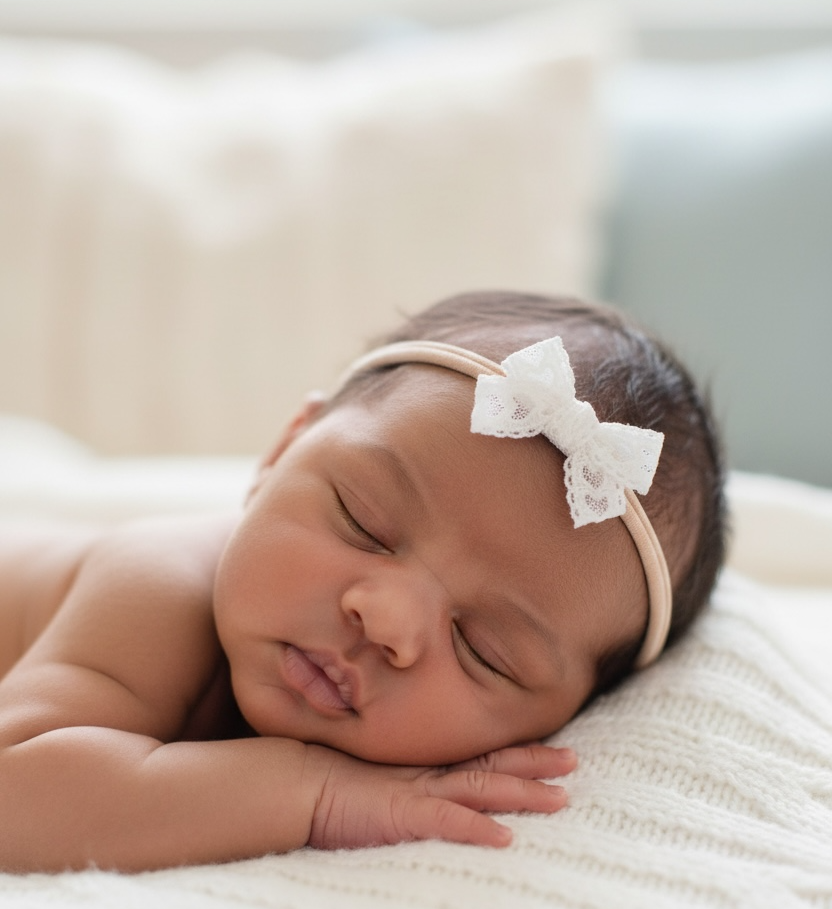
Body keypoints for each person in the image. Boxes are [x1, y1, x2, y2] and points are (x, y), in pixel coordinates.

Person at [0, 291, 726, 873]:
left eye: (483, 649)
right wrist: (313, 795)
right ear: (284, 450)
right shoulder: (157, 584)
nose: (385, 621)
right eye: (364, 523)